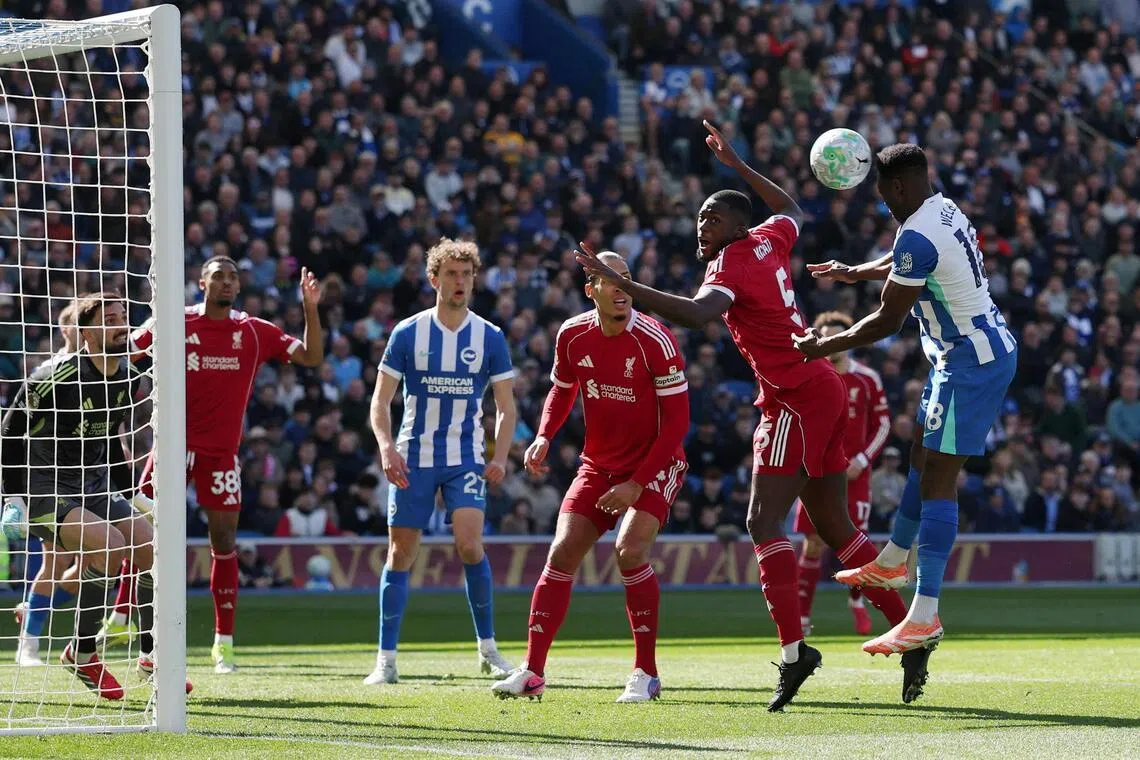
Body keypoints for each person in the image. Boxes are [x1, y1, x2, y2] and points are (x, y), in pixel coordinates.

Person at [577, 121, 908, 711]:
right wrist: (736, 163)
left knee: (762, 522)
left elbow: (702, 315)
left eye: (710, 218)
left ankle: (794, 653)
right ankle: (911, 634)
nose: (700, 227)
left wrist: (624, 283)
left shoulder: (731, 262)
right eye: (701, 219)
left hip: (796, 394)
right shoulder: (770, 238)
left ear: (733, 225)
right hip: (814, 388)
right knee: (836, 530)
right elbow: (790, 206)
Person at [795, 143, 1017, 702]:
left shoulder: (917, 234)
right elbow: (905, 262)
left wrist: (826, 345)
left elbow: (887, 321)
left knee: (940, 477)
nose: (879, 199)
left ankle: (925, 613)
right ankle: (892, 561)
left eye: (879, 191)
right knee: (920, 449)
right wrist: (854, 272)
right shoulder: (940, 209)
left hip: (971, 362)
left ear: (895, 188)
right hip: (963, 353)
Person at [491, 252, 689, 703]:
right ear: (590, 290)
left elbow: (677, 423)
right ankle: (533, 672)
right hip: (598, 465)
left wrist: (637, 483)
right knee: (561, 553)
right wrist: (543, 436)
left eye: (627, 279)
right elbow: (562, 390)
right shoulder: (572, 334)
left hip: (655, 464)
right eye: (609, 280)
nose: (621, 287)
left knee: (629, 551)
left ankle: (646, 673)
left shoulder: (655, 340)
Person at [128, 255, 325, 673]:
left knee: (224, 542)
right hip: (171, 449)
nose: (227, 282)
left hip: (220, 456)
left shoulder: (252, 331)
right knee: (140, 529)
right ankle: (121, 617)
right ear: (202, 283)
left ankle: (224, 643)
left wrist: (310, 308)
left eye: (233, 276)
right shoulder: (174, 321)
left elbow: (310, 357)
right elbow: (127, 353)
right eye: (219, 276)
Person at [0, 293, 182, 698]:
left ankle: (152, 657)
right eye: (110, 319)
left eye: (123, 318)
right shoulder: (58, 376)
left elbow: (111, 439)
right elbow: (10, 431)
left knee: (153, 549)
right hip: (45, 488)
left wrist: (132, 495)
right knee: (112, 545)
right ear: (85, 333)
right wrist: (12, 498)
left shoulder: (125, 378)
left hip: (94, 485)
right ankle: (81, 653)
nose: (122, 326)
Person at [366, 239, 516, 685]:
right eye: (451, 274)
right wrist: (386, 447)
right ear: (434, 279)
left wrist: (500, 456)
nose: (460, 282)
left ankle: (488, 650)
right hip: (413, 455)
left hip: (465, 457)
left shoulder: (489, 336)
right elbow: (381, 400)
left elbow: (506, 404)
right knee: (401, 553)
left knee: (470, 545)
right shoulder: (408, 332)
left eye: (466, 275)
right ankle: (386, 660)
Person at [793, 312, 891, 638]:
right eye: (826, 337)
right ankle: (802, 619)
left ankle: (857, 603)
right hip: (815, 475)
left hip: (854, 475)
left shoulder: (867, 379)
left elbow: (884, 425)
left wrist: (862, 459)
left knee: (854, 544)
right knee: (813, 544)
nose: (833, 343)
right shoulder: (808, 374)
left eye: (839, 336)